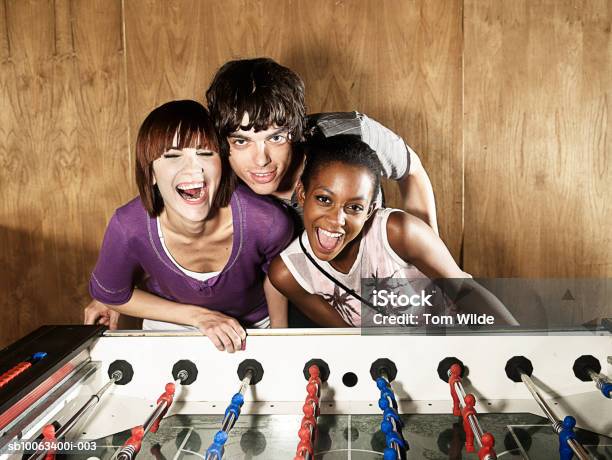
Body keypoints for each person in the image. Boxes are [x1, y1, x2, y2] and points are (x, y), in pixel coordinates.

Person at [87, 100, 293, 351]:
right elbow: (112, 294)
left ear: (222, 166)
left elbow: (278, 284)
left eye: (205, 153)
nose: (193, 168)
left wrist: (283, 343)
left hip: (254, 329)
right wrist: (198, 317)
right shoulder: (128, 226)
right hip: (169, 325)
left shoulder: (267, 221)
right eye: (173, 156)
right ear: (150, 172)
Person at [268, 135, 518, 327]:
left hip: (452, 345)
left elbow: (465, 291)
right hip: (387, 370)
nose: (336, 220)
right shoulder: (288, 273)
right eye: (324, 199)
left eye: (354, 207)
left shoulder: (400, 232)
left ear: (370, 210)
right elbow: (346, 339)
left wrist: (522, 350)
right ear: (302, 193)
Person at [205, 57, 438, 232]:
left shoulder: (355, 133)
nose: (261, 160)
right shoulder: (218, 186)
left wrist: (427, 261)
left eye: (275, 138)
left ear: (296, 129)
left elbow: (411, 170)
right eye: (241, 141)